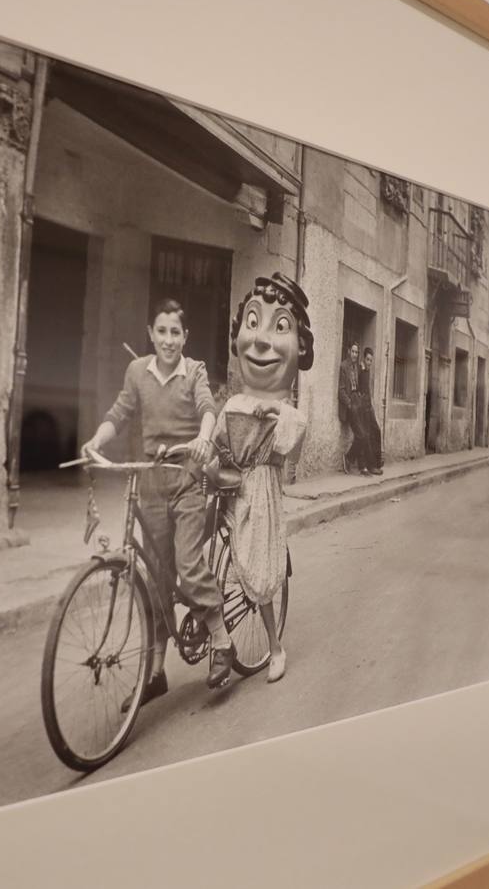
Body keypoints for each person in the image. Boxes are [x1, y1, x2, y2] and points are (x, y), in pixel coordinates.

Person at [81, 299, 236, 694]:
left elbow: (207, 408)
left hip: (185, 479)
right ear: (151, 334)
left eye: (176, 333)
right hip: (148, 483)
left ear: (185, 337)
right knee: (155, 578)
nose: (168, 340)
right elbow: (120, 412)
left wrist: (203, 439)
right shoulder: (137, 371)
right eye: (161, 331)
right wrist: (97, 439)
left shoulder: (194, 371)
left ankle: (221, 638)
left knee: (186, 563)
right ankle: (155, 670)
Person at [209, 273, 313, 683]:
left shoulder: (284, 408)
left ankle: (274, 647)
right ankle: (217, 638)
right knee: (204, 564)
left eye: (279, 327)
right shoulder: (233, 402)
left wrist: (273, 414)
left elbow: (295, 431)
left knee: (258, 570)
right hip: (228, 486)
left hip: (261, 491)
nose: (261, 339)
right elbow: (216, 436)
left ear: (299, 346)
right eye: (253, 323)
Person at [338, 340, 370, 474]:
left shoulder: (357, 367)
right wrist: (350, 404)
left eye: (357, 352)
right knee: (362, 435)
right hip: (349, 406)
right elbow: (341, 390)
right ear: (349, 351)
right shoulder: (343, 366)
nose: (355, 354)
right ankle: (348, 457)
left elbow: (360, 386)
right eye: (353, 351)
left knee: (363, 434)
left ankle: (360, 464)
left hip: (358, 403)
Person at [357, 347, 384, 476]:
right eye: (367, 360)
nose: (369, 363)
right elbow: (359, 391)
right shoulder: (361, 371)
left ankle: (377, 462)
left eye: (371, 360)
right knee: (366, 436)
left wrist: (371, 407)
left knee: (376, 431)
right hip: (363, 409)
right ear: (364, 359)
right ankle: (370, 465)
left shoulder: (367, 372)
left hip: (369, 407)